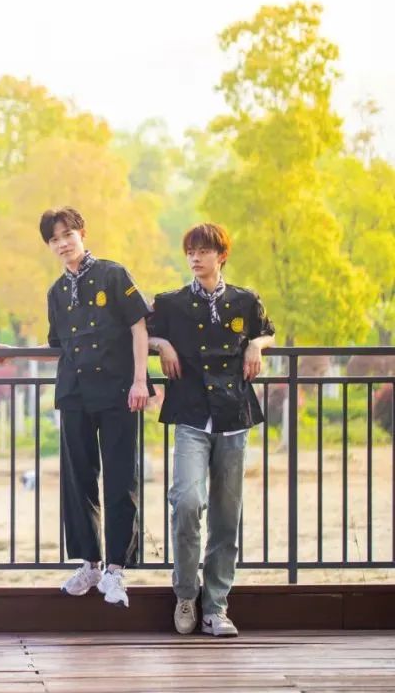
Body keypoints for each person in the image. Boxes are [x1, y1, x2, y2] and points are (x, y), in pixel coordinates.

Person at [0, 206, 152, 607]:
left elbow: (139, 328)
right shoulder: (56, 293)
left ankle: (116, 569)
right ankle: (89, 564)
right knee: (77, 481)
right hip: (74, 394)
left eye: (68, 235)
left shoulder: (114, 275)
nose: (62, 244)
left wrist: (139, 380)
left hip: (118, 392)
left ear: (82, 233)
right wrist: (14, 352)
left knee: (121, 480)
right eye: (54, 239)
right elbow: (58, 348)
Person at [147, 222, 275, 637]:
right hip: (190, 416)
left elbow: (267, 332)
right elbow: (141, 334)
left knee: (225, 515)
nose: (195, 258)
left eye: (203, 251)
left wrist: (255, 345)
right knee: (186, 502)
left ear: (221, 256)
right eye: (190, 251)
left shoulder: (245, 300)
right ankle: (186, 594)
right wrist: (161, 345)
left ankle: (216, 607)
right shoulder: (170, 303)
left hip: (234, 416)